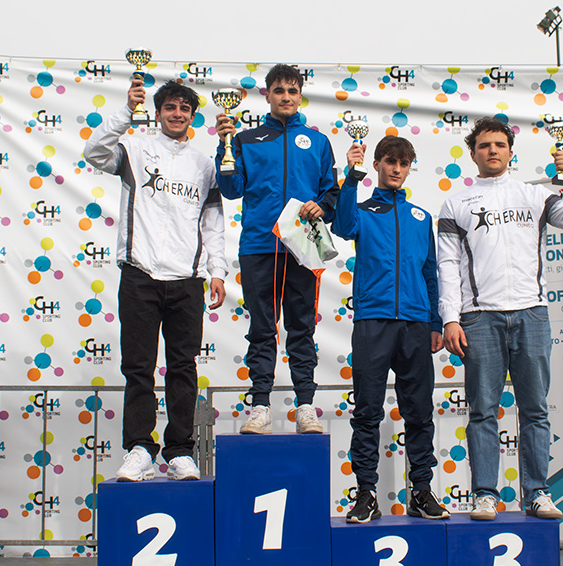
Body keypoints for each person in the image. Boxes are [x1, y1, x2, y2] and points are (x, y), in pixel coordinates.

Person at [436, 117, 563, 519]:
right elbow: (447, 265)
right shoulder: (456, 204)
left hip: (531, 314)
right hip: (479, 318)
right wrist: (450, 318)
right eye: (484, 145)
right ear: (472, 153)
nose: (492, 150)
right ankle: (484, 494)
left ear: (510, 152)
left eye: (500, 145)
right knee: (482, 411)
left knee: (535, 409)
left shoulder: (535, 195)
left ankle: (537, 492)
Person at [84, 77, 226, 482]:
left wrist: (217, 271)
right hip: (140, 275)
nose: (177, 114)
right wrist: (126, 112)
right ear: (159, 113)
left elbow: (213, 223)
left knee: (183, 368)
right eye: (170, 108)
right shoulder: (135, 148)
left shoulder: (204, 165)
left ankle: (180, 451)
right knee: (138, 367)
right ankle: (140, 449)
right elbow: (94, 152)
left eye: (184, 109)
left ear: (193, 117)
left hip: (187, 281)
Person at [327, 135, 448, 522]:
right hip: (373, 322)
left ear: (409, 168)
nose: (396, 169)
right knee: (367, 412)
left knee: (420, 413)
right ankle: (366, 494)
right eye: (390, 162)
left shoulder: (421, 217)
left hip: (416, 325)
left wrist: (435, 322)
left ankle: (422, 491)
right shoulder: (362, 211)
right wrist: (352, 175)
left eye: (403, 163)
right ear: (377, 164)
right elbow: (342, 226)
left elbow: (430, 273)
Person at [215, 64, 339, 435]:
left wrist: (322, 204)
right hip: (259, 245)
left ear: (301, 95)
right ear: (266, 94)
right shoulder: (245, 139)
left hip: (303, 248)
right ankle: (260, 406)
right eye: (279, 90)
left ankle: (306, 407)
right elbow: (231, 189)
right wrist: (223, 145)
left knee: (301, 329)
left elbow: (331, 192)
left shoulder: (317, 142)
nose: (286, 97)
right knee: (262, 329)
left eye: (292, 90)